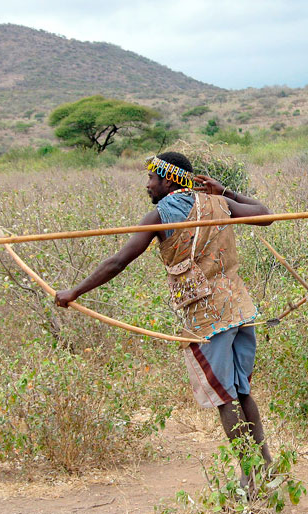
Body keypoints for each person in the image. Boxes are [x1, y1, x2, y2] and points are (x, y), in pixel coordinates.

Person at [55, 151, 273, 486]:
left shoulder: (159, 215)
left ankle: (250, 476)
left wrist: (74, 292)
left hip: (206, 319)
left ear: (169, 180)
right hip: (240, 310)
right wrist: (225, 192)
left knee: (224, 396)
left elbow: (118, 262)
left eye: (152, 178)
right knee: (241, 391)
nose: (148, 185)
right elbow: (265, 215)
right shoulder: (218, 203)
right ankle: (267, 467)